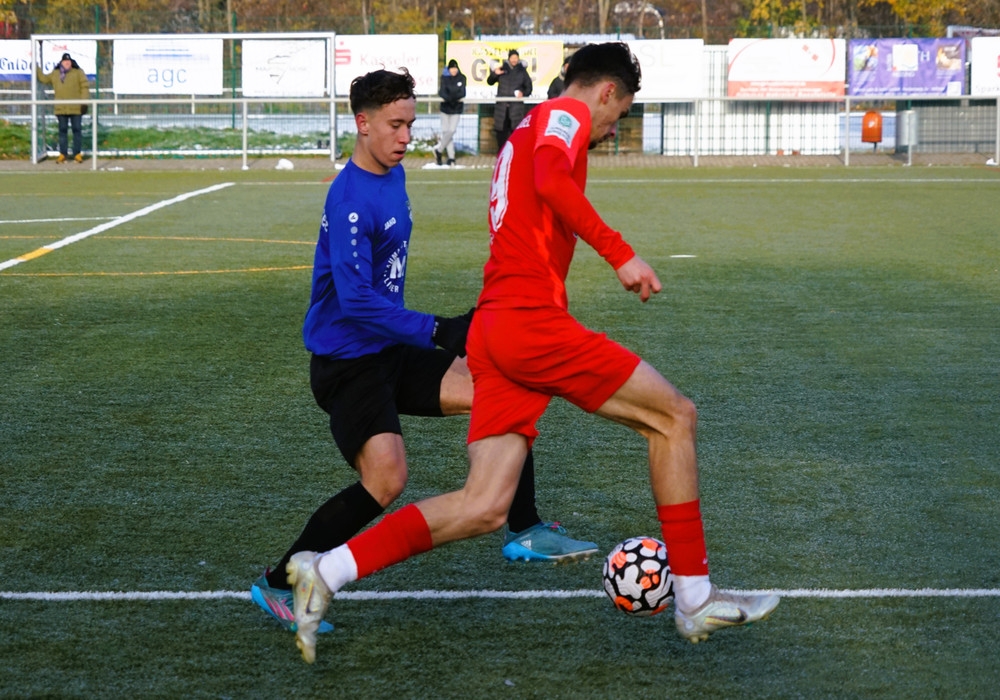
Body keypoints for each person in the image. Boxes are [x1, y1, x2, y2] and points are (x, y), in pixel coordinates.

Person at [285, 43, 780, 664]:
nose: (613, 127)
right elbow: (549, 179)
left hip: (495, 328)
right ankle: (695, 596)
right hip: (528, 323)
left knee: (484, 505)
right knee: (674, 416)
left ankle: (325, 570)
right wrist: (620, 253)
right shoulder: (564, 116)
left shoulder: (526, 128)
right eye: (620, 113)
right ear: (607, 93)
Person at [250, 68, 596, 635]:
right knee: (386, 481)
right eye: (395, 125)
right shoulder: (349, 199)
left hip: (390, 349)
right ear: (362, 124)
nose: (406, 136)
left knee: (500, 384)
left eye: (410, 123)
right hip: (348, 363)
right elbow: (355, 302)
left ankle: (525, 528)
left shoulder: (394, 174)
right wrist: (438, 329)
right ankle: (278, 582)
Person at [36, 52, 89, 164]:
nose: (67, 63)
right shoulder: (56, 73)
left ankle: (77, 154)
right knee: (62, 131)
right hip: (61, 108)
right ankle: (63, 154)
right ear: (61, 62)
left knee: (77, 130)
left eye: (68, 61)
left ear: (71, 62)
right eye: (65, 61)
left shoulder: (78, 72)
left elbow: (84, 86)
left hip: (76, 108)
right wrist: (36, 68)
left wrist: (84, 102)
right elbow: (44, 79)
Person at [486, 48, 532, 151]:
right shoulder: (502, 69)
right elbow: (489, 82)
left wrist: (523, 93)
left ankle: (515, 155)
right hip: (501, 108)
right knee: (501, 134)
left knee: (516, 134)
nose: (514, 60)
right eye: (512, 57)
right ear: (509, 58)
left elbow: (529, 87)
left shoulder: (522, 72)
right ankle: (501, 155)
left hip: (516, 108)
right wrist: (495, 74)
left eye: (516, 58)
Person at [433, 59, 466, 167]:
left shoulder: (462, 78)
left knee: (451, 130)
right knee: (446, 132)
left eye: (455, 68)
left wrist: (451, 97)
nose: (454, 70)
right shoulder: (444, 78)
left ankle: (439, 150)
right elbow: (442, 92)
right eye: (452, 68)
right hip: (445, 108)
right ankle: (451, 157)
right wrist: (451, 98)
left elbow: (462, 93)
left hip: (456, 108)